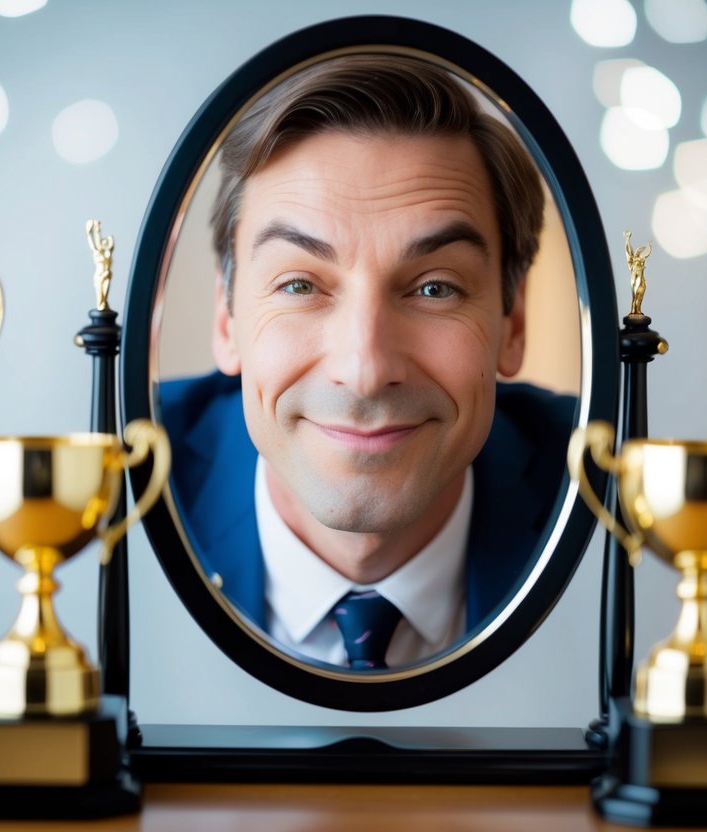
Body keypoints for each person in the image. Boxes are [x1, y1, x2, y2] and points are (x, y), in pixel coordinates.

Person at [159, 54, 575, 670]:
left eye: (436, 288)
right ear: (228, 320)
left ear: (512, 324)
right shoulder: (113, 492)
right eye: (300, 285)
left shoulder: (615, 496)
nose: (365, 368)